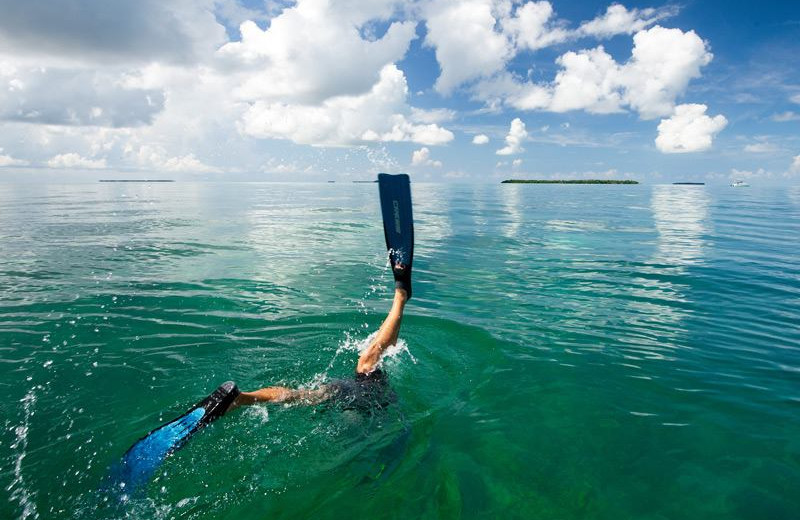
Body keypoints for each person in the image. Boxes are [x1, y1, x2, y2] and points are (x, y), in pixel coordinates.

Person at [231, 267, 410, 411]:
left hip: (354, 394)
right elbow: (382, 343)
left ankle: (246, 398)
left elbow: (380, 344)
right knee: (310, 395)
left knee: (306, 395)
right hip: (367, 398)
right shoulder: (376, 370)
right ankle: (245, 398)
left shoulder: (368, 367)